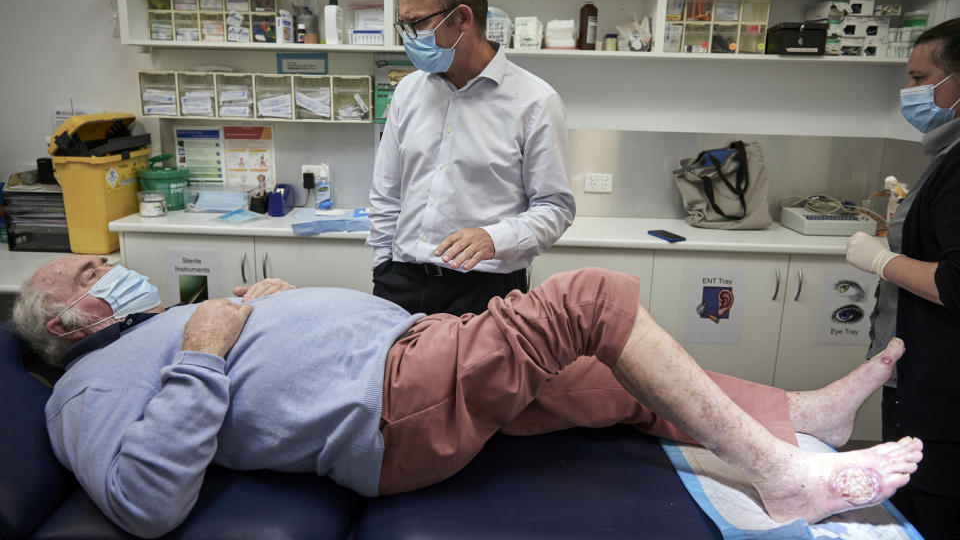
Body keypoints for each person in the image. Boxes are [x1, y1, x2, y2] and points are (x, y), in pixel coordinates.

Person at [12, 255, 921, 538]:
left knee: (610, 378)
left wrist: (265, 309)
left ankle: (804, 417)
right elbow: (142, 502)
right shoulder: (83, 389)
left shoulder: (171, 320)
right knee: (592, 300)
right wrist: (205, 351)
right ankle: (784, 475)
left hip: (416, 356)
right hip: (391, 407)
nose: (115, 270)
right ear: (65, 325)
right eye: (93, 274)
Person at [367, 0, 576, 316]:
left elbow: (555, 209)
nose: (408, 39)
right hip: (400, 282)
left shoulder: (535, 102)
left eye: (416, 23)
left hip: (483, 291)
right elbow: (387, 193)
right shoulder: (408, 92)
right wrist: (382, 265)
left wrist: (494, 238)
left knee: (478, 376)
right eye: (404, 26)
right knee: (391, 375)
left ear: (462, 18)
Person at [845, 17, 960, 539]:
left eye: (919, 78)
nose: (909, 92)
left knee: (928, 506)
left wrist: (879, 260)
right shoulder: (946, 156)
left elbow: (957, 282)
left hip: (943, 397)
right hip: (921, 380)